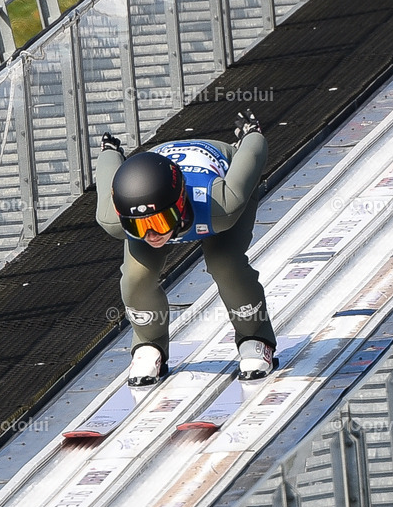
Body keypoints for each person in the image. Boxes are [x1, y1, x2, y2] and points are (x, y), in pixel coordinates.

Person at [96, 110, 278, 386]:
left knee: (225, 263)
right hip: (156, 169)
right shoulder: (113, 219)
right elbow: (110, 174)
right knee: (135, 278)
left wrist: (250, 134)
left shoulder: (221, 204)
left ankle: (255, 335)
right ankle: (149, 342)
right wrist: (110, 150)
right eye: (138, 226)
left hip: (220, 173)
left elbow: (254, 153)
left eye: (160, 221)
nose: (153, 234)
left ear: (180, 206)